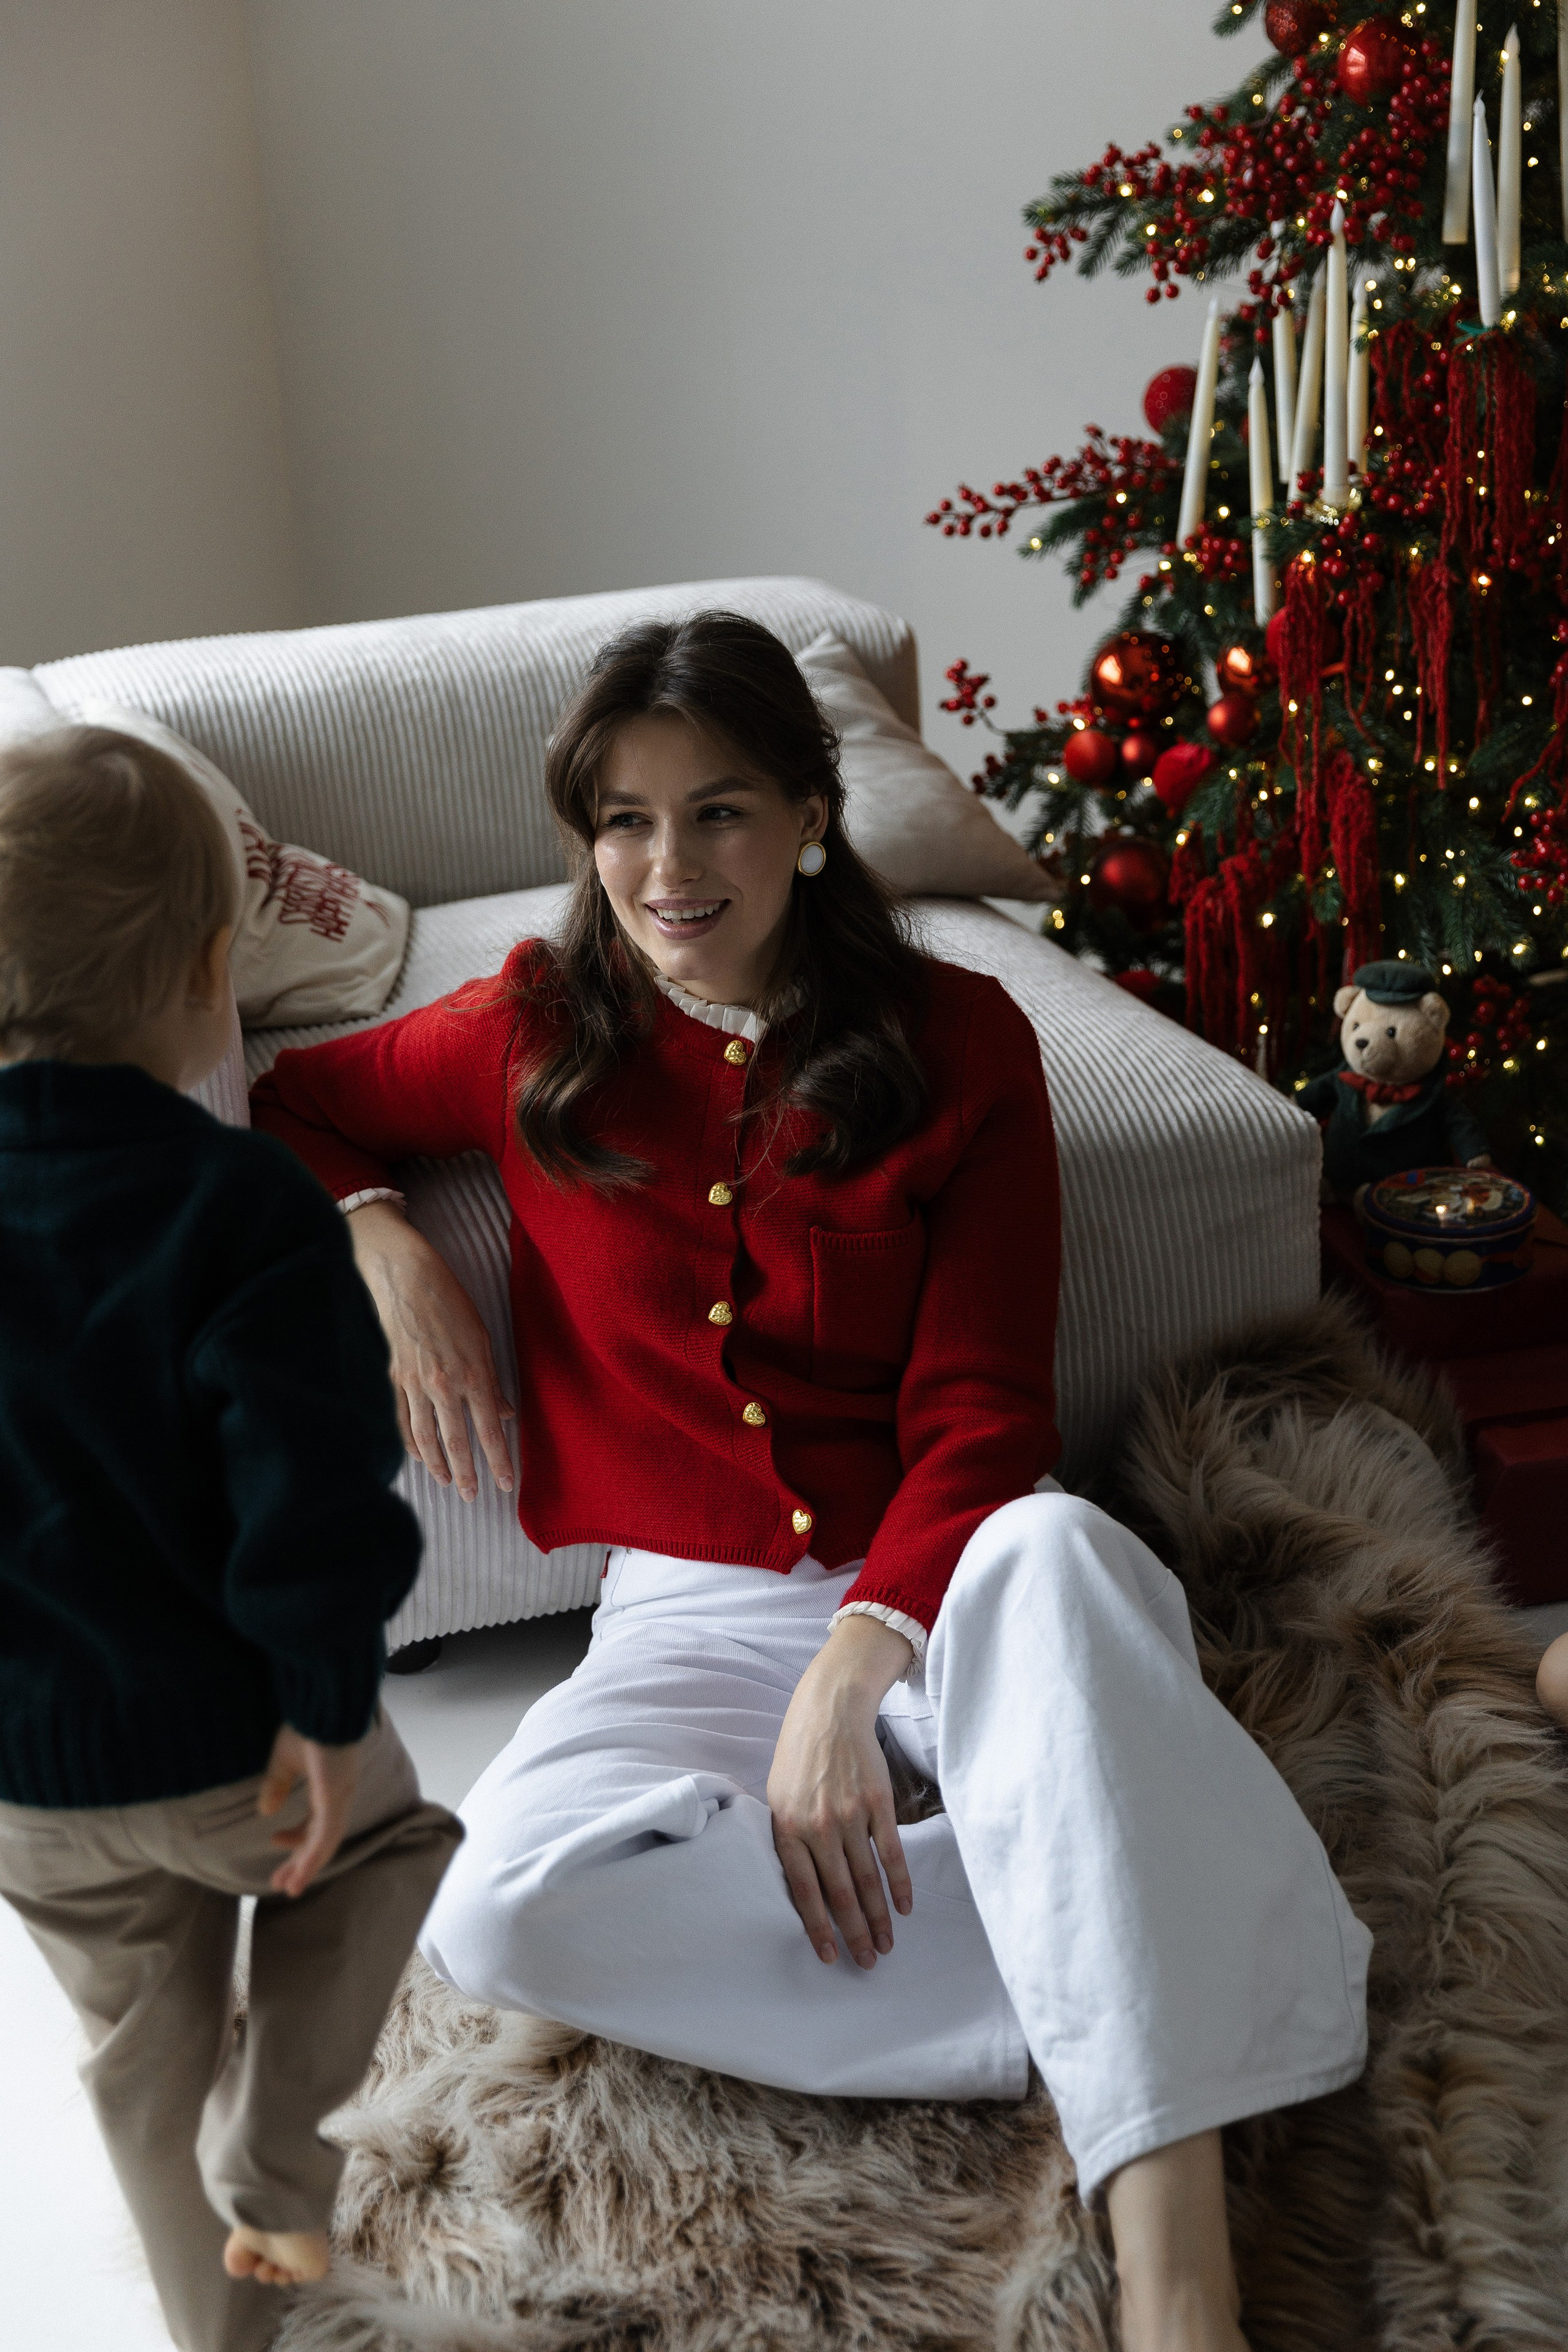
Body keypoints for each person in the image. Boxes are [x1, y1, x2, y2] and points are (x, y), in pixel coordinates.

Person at [252, 613, 1371, 2352]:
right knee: (508, 1904)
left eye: (719, 813)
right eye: (622, 819)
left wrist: (868, 1648)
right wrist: (379, 1235)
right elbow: (288, 1100)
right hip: (683, 1616)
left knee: (1067, 1554)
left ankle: (1178, 2285)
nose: (667, 865)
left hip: (958, 1575)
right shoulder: (530, 1030)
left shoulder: (964, 1040)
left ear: (810, 815)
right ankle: (1141, 1911)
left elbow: (988, 1413)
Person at [0, 728, 463, 2352]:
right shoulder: (242, 1204)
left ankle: (225, 2339)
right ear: (212, 972)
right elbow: (310, 1490)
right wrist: (328, 1695)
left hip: (31, 1780)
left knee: (140, 2052)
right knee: (400, 1848)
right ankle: (277, 2153)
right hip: (232, 1748)